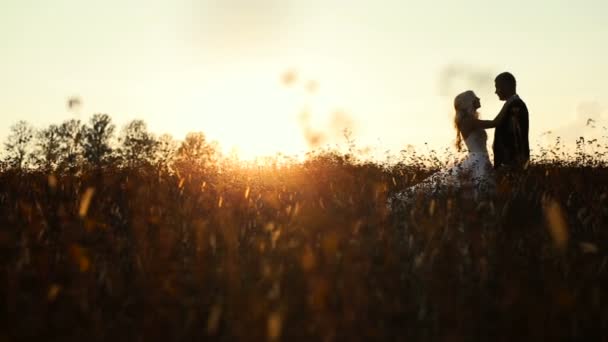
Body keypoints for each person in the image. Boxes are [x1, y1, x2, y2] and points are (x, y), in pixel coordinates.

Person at [388, 90, 515, 209]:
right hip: (478, 161)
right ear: (469, 102)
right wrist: (509, 102)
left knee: (481, 193)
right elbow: (495, 123)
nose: (478, 98)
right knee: (482, 193)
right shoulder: (468, 121)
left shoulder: (471, 120)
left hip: (481, 159)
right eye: (475, 97)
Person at [492, 72, 530, 171]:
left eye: (497, 87)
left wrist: (511, 162)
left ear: (506, 86)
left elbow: (517, 134)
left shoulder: (515, 106)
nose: (496, 92)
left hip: (510, 164)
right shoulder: (511, 104)